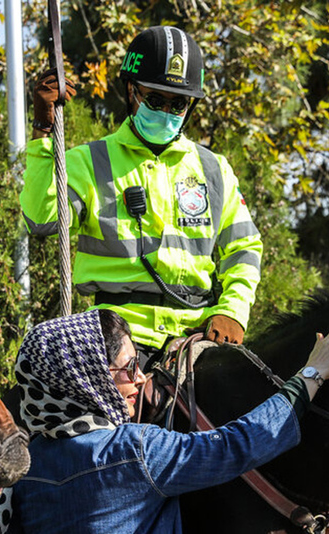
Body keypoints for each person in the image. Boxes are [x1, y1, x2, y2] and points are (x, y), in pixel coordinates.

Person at [0, 307, 329, 533]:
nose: (140, 378)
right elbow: (238, 444)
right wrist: (312, 374)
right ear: (88, 380)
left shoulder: (28, 466)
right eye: (128, 367)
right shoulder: (132, 451)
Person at [21, 26, 262, 358]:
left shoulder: (215, 170)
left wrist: (233, 310)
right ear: (131, 91)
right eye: (155, 99)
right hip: (116, 340)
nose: (166, 112)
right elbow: (42, 219)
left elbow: (244, 249)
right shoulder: (90, 162)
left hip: (198, 338)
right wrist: (43, 133)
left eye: (178, 104)